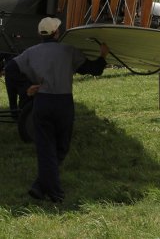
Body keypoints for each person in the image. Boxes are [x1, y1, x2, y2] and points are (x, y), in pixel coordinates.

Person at [5, 17, 109, 202]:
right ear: (57, 33)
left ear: (40, 34)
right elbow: (93, 70)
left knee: (46, 149)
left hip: (42, 103)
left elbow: (10, 69)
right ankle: (55, 193)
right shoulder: (69, 51)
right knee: (62, 147)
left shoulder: (30, 52)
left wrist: (26, 88)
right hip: (63, 103)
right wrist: (102, 56)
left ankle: (40, 186)